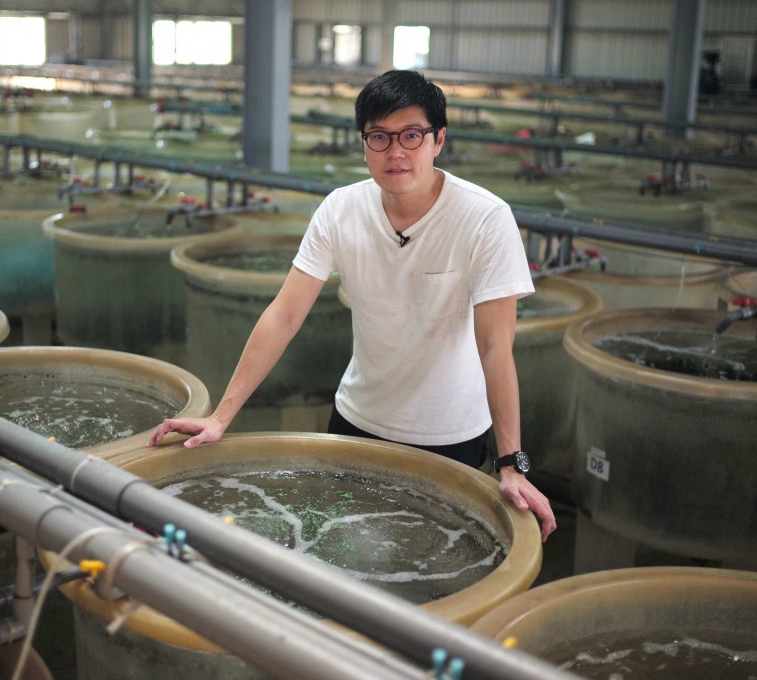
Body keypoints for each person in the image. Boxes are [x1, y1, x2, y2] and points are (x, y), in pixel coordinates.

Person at [147, 70, 556, 541]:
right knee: (345, 552)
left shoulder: (484, 218)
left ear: (439, 140)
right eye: (379, 137)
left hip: (450, 437)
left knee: (426, 564)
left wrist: (511, 464)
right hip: (356, 420)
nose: (395, 152)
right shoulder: (340, 209)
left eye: (411, 135)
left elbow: (495, 345)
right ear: (363, 143)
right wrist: (220, 416)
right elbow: (284, 314)